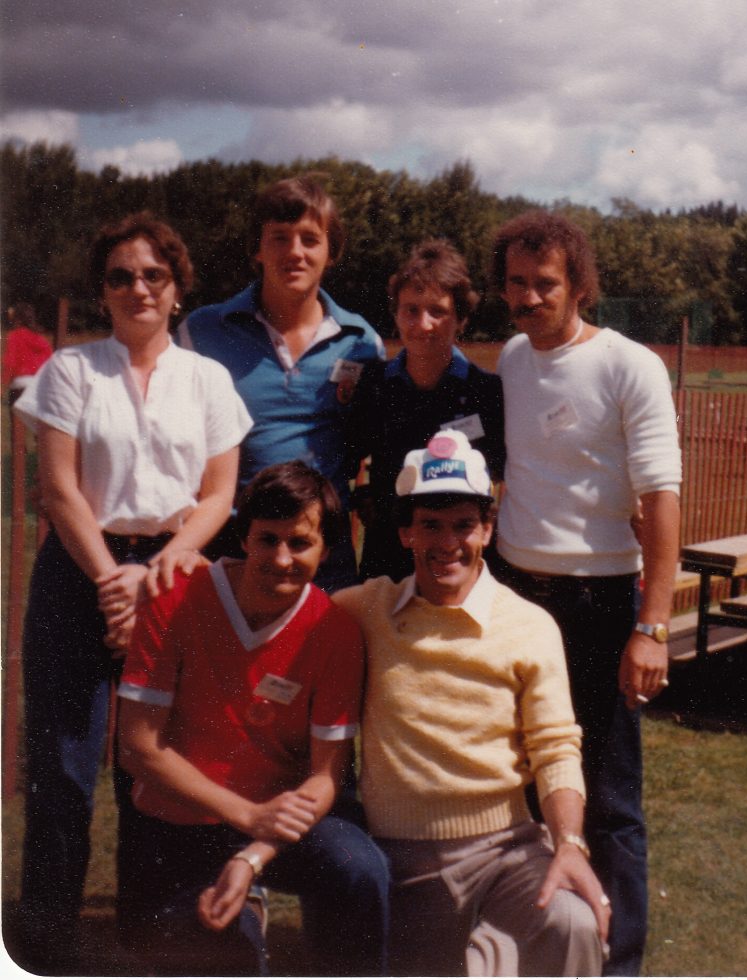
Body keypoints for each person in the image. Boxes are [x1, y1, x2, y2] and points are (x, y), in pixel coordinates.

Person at [11, 213, 251, 973]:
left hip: (176, 574)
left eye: (154, 275)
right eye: (121, 276)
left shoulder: (209, 379)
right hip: (79, 571)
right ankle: (47, 939)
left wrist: (158, 570)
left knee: (156, 764)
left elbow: (218, 496)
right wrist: (113, 580)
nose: (138, 288)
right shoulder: (70, 372)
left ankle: (151, 932)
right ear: (103, 290)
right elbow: (57, 488)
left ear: (177, 289)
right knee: (64, 768)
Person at [332, 430, 608, 976]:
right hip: (404, 857)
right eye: (430, 525)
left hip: (509, 849)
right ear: (405, 531)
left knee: (573, 922)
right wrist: (217, 573)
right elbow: (284, 612)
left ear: (487, 527)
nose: (447, 542)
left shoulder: (530, 626)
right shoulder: (367, 609)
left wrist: (570, 842)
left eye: (463, 524)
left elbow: (555, 748)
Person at [487, 210, 682, 975]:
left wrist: (653, 626)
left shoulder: (630, 365)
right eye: (516, 284)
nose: (529, 298)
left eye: (545, 284)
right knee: (531, 787)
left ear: (579, 286)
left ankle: (620, 961)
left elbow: (661, 498)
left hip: (602, 605)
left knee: (610, 799)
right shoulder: (510, 359)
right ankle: (543, 946)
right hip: (514, 596)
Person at [116, 461, 389, 976]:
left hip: (276, 830)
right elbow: (137, 745)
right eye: (267, 539)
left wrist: (253, 852)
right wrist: (246, 815)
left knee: (359, 869)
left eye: (300, 543)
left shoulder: (334, 631)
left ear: (327, 549)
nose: (282, 559)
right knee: (226, 955)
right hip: (179, 821)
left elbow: (326, 775)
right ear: (243, 535)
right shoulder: (174, 596)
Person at [179, 172, 385, 590]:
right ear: (257, 249)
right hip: (229, 552)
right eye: (279, 237)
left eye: (310, 239)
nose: (295, 252)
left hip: (326, 559)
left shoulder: (362, 342)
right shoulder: (201, 332)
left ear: (332, 251)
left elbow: (369, 443)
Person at [345, 239, 505, 582]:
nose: (423, 323)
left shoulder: (486, 392)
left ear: (460, 318)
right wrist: (365, 497)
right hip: (388, 558)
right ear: (396, 313)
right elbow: (346, 457)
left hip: (459, 560)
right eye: (411, 309)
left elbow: (504, 477)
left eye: (438, 311)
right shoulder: (373, 384)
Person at [2, 301, 53, 403]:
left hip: (19, 385)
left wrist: (2, 385)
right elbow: (50, 363)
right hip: (39, 386)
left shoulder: (14, 336)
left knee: (18, 418)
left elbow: (10, 362)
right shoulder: (41, 339)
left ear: (17, 318)